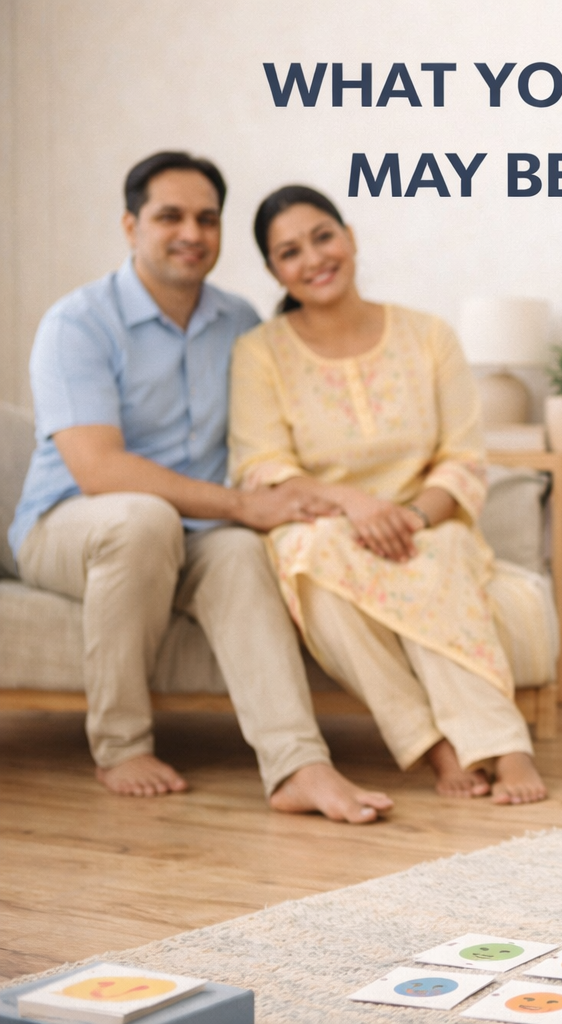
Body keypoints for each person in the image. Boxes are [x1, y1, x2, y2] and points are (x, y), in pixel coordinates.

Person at [7, 151, 392, 822]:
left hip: (194, 531)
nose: (192, 232)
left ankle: (298, 766)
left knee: (243, 553)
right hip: (70, 525)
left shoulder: (241, 322)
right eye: (170, 216)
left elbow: (272, 437)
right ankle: (121, 746)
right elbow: (100, 469)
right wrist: (245, 505)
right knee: (143, 519)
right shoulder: (78, 323)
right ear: (131, 226)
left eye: (207, 219)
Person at [229, 185, 547, 805]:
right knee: (306, 560)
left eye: (323, 236)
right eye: (289, 252)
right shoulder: (259, 351)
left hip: (427, 522)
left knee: (444, 554)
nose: (314, 258)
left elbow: (462, 456)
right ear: (274, 271)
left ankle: (505, 747)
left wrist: (408, 517)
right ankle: (435, 746)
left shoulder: (429, 336)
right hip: (321, 526)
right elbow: (263, 466)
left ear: (349, 236)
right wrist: (354, 507)